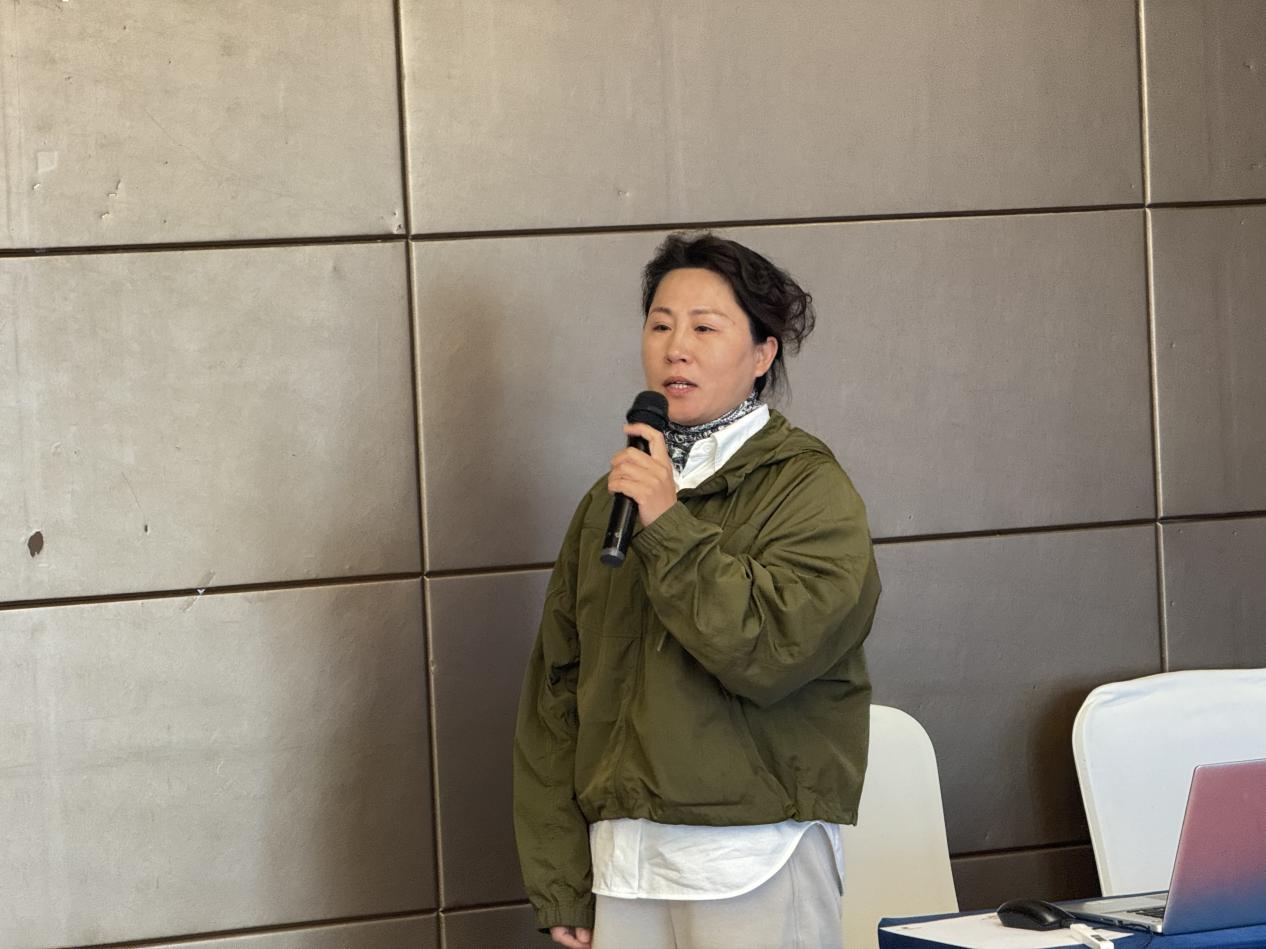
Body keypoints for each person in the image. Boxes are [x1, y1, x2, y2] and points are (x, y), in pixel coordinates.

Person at [513, 232, 881, 949]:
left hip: (752, 858)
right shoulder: (609, 501)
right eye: (660, 325)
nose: (675, 348)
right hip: (623, 870)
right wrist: (561, 875)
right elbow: (556, 693)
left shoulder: (809, 488)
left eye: (705, 328)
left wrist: (667, 523)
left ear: (763, 353)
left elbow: (771, 649)